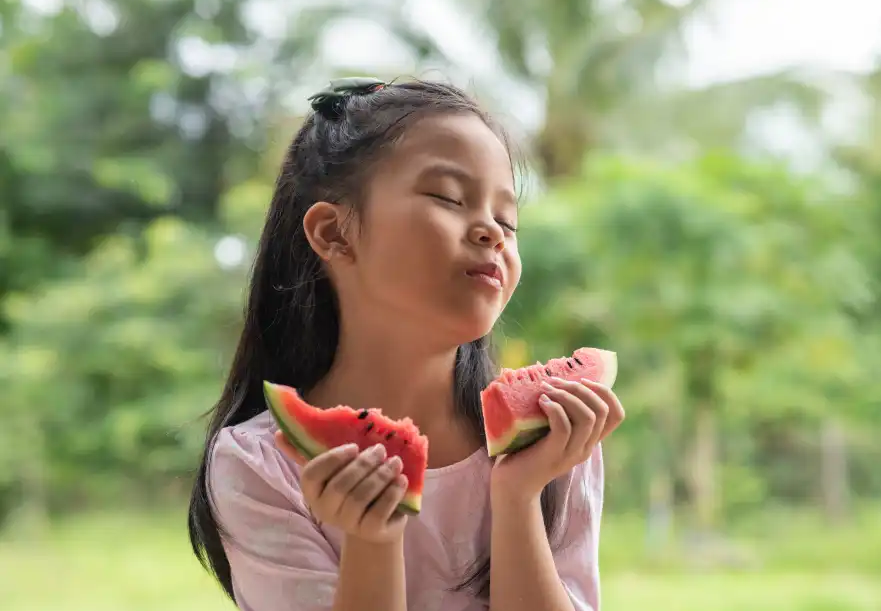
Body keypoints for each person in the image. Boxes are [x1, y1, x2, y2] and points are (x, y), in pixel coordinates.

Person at [186, 77, 626, 611]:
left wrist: (518, 496)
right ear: (334, 233)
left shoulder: (556, 436)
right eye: (448, 197)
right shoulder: (261, 464)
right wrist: (372, 541)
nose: (491, 230)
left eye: (507, 220)